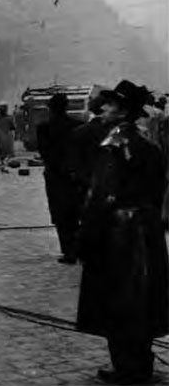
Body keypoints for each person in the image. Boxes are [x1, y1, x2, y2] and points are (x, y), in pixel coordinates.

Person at [76, 80, 168, 385]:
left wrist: (86, 238)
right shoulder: (148, 143)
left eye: (111, 104)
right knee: (143, 300)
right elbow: (157, 189)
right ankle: (141, 362)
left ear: (123, 111)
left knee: (117, 299)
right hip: (148, 229)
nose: (103, 108)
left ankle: (126, 367)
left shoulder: (113, 144)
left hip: (118, 233)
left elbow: (101, 195)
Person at [36, 93, 82, 264]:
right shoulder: (78, 126)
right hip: (75, 176)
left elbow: (43, 152)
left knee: (60, 214)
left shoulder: (44, 128)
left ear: (50, 108)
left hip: (55, 175)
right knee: (76, 211)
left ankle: (69, 251)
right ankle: (81, 248)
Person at [0, 104, 16, 171]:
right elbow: (13, 127)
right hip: (7, 135)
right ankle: (5, 162)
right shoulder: (9, 118)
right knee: (8, 150)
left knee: (1, 149)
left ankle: (2, 162)